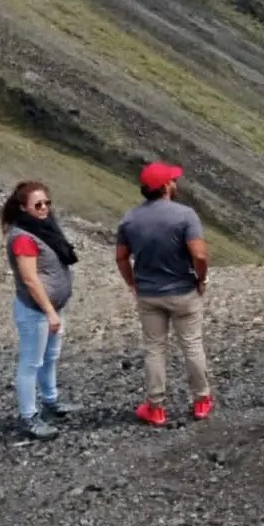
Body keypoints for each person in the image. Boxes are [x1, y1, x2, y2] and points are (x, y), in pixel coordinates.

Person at [116, 163, 214, 426]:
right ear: (165, 187)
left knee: (154, 349)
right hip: (183, 290)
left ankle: (155, 407)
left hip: (148, 293)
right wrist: (201, 278)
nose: (176, 183)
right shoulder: (185, 216)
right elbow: (200, 253)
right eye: (173, 180)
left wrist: (132, 283)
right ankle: (202, 400)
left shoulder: (129, 219)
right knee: (191, 344)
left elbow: (122, 257)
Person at [4, 181, 78, 441]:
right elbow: (30, 279)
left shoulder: (43, 229)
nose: (44, 208)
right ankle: (29, 415)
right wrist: (49, 311)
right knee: (31, 362)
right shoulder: (24, 237)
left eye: (47, 203)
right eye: (38, 205)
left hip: (51, 308)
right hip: (36, 311)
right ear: (24, 208)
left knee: (50, 357)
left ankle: (51, 400)